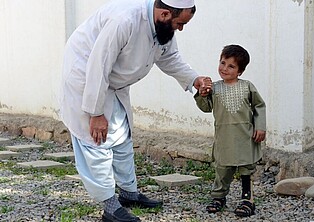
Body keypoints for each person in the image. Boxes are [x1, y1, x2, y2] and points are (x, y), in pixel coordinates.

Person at [59, 0, 212, 221]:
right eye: (180, 23)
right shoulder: (125, 20)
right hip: (86, 77)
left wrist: (193, 79)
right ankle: (110, 207)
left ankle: (129, 193)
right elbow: (98, 64)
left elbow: (169, 56)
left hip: (113, 81)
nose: (181, 29)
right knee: (96, 142)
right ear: (165, 14)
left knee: (121, 134)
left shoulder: (161, 26)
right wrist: (95, 112)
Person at [194, 44, 266, 217]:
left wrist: (261, 126)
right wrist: (202, 94)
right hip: (224, 137)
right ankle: (218, 197)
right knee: (222, 169)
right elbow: (206, 108)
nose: (224, 68)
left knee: (246, 169)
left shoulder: (247, 86)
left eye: (231, 66)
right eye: (222, 63)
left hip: (245, 136)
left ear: (240, 71)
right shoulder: (215, 88)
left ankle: (247, 199)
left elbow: (259, 106)